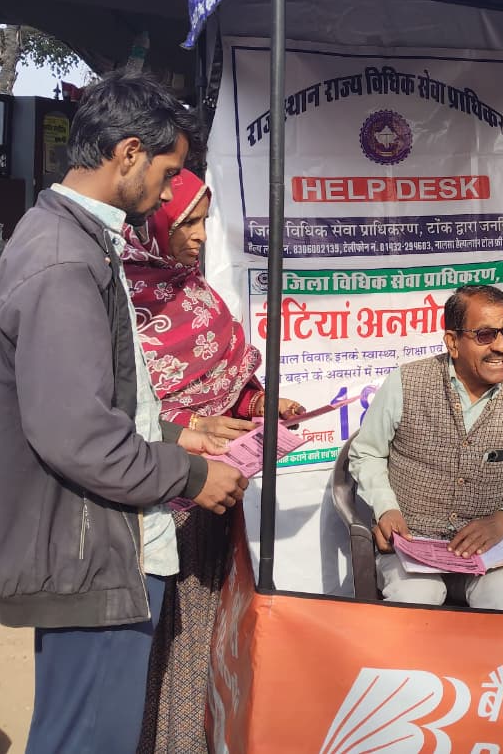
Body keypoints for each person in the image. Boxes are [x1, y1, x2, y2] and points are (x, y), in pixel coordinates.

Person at [0, 70, 249, 754]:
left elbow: (99, 401)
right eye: (168, 172)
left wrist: (176, 432)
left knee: (83, 732)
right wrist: (190, 474)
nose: (167, 190)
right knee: (87, 739)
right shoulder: (64, 259)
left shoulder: (76, 240)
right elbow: (79, 433)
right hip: (89, 550)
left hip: (94, 541)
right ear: (129, 153)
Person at [122, 169, 303, 754]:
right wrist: (190, 429)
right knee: (149, 637)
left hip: (215, 496)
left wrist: (263, 405)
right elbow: (121, 408)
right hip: (154, 496)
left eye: (204, 222)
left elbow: (233, 384)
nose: (200, 236)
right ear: (153, 221)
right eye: (187, 223)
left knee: (198, 634)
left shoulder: (197, 292)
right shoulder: (118, 296)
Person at [348, 284, 503, 611]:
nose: (501, 346)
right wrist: (386, 508)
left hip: (492, 551)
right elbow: (367, 452)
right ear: (452, 342)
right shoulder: (405, 383)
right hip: (413, 544)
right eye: (485, 335)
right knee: (416, 600)